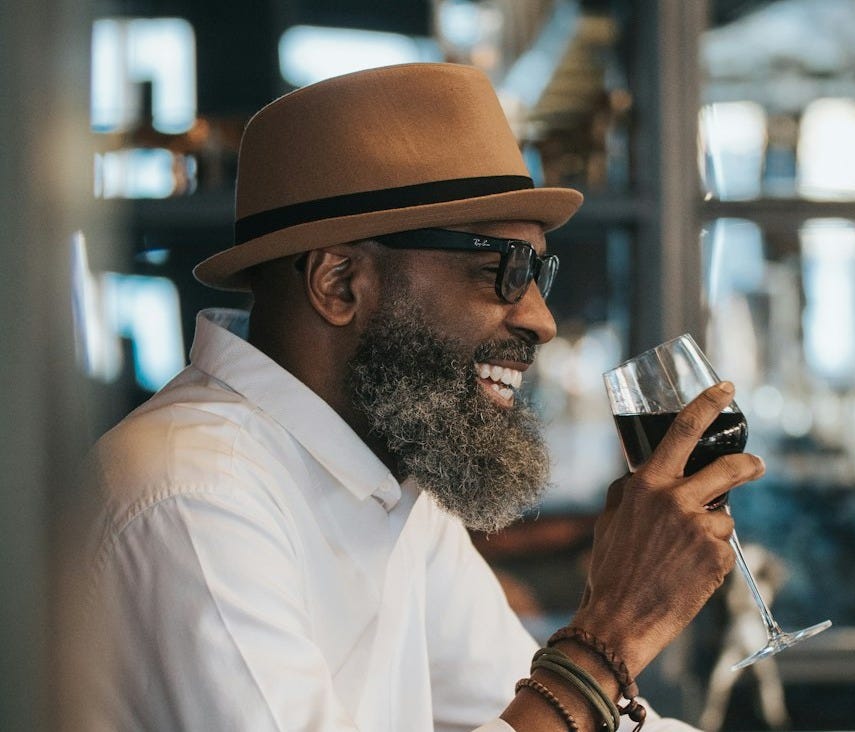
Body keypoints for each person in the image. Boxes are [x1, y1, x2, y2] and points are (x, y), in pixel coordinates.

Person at [76, 63, 765, 732]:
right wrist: (608, 636)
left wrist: (597, 664)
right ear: (340, 283)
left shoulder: (389, 483)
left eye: (539, 273)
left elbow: (537, 710)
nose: (540, 319)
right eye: (503, 270)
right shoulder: (195, 495)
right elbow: (566, 706)